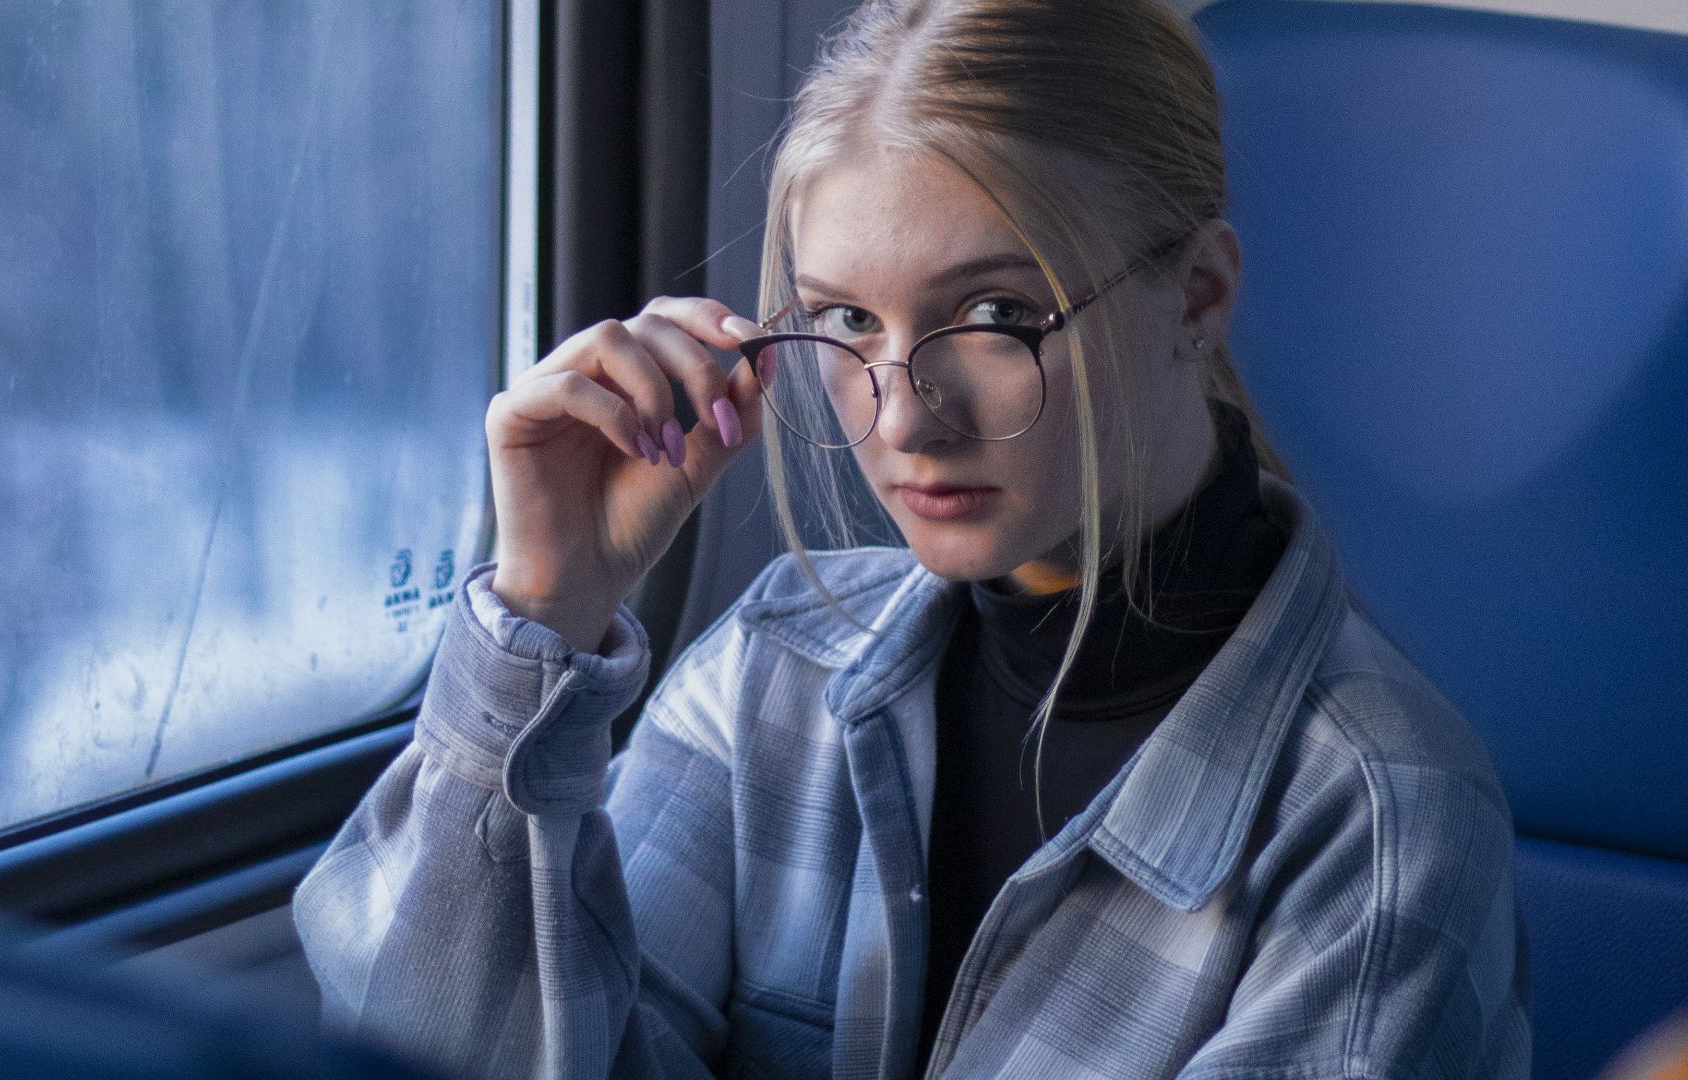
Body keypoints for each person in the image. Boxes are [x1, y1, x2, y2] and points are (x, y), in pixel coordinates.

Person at [293, 0, 1530, 1076]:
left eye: (994, 314)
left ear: (1195, 298)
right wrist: (543, 619)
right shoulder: (778, 670)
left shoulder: (1373, 819)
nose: (901, 415)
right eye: (844, 321)